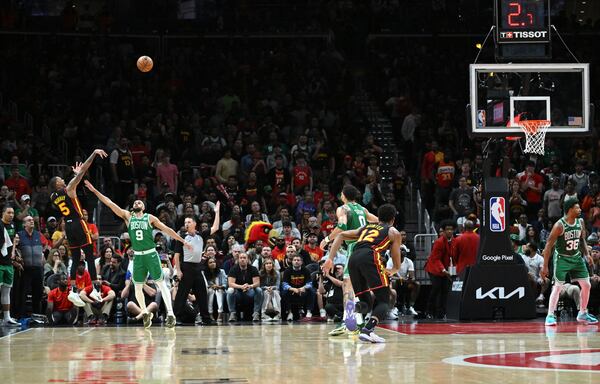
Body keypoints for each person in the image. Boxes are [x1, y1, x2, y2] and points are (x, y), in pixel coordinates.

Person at [84, 180, 192, 328]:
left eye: (139, 203)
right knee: (138, 287)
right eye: (135, 203)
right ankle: (145, 313)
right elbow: (109, 203)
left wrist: (182, 241)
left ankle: (171, 314)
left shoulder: (149, 218)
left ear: (144, 207)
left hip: (150, 254)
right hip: (138, 256)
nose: (137, 203)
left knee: (160, 283)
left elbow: (167, 229)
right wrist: (95, 191)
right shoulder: (128, 216)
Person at [325, 204, 403, 343]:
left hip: (353, 258)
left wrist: (330, 258)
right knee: (384, 299)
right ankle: (368, 330)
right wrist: (393, 270)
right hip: (370, 257)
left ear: (378, 217)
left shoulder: (366, 227)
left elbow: (341, 235)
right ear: (393, 219)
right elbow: (396, 258)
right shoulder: (393, 232)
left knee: (366, 302)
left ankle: (352, 310)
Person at [320, 184, 378, 336]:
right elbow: (378, 221)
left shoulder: (343, 208)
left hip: (354, 247)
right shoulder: (362, 209)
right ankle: (357, 320)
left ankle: (348, 323)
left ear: (343, 195)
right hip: (368, 249)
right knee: (360, 288)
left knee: (348, 287)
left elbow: (341, 226)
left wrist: (326, 239)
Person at [49, 149, 107, 283]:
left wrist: (77, 175)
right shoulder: (69, 188)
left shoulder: (52, 196)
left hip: (68, 226)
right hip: (78, 223)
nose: (62, 179)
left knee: (75, 258)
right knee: (89, 257)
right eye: (60, 179)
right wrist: (93, 154)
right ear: (57, 184)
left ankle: (73, 289)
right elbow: (84, 169)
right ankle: (94, 287)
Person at [541, 199, 598, 325]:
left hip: (576, 257)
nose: (580, 210)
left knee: (587, 285)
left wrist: (587, 254)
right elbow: (548, 246)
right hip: (562, 258)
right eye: (577, 208)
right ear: (570, 210)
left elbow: (582, 239)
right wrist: (545, 266)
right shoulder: (559, 225)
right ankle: (550, 315)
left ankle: (582, 313)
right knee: (557, 287)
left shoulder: (580, 221)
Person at [173, 203, 220, 325]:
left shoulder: (201, 235)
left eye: (188, 222)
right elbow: (176, 256)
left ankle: (206, 318)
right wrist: (178, 270)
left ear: (194, 224)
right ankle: (176, 317)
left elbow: (215, 227)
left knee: (202, 293)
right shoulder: (181, 238)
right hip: (186, 267)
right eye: (185, 223)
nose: (186, 224)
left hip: (198, 267)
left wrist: (217, 212)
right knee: (182, 294)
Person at [226, 252, 262, 322]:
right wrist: (241, 287)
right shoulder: (233, 269)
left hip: (250, 291)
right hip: (238, 293)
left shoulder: (253, 268)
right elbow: (230, 284)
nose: (242, 259)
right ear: (238, 260)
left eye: (244, 258)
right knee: (230, 290)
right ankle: (232, 313)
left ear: (248, 259)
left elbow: (257, 283)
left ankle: (256, 313)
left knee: (259, 290)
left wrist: (250, 286)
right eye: (241, 258)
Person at [0, 206, 19, 325]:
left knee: (6, 291)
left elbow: (13, 242)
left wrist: (13, 252)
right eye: (9, 212)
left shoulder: (13, 225)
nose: (11, 215)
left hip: (8, 264)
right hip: (0, 263)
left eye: (12, 213)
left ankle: (7, 317)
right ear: (3, 213)